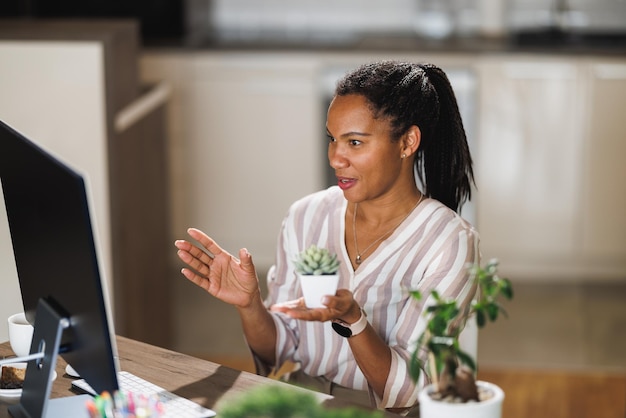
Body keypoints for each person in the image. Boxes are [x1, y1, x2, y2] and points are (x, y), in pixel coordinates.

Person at [175, 61, 479, 415]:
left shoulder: (448, 243)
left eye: (354, 142)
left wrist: (355, 321)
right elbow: (281, 353)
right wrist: (249, 305)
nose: (336, 158)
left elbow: (407, 391)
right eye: (332, 139)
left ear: (407, 142)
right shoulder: (306, 216)